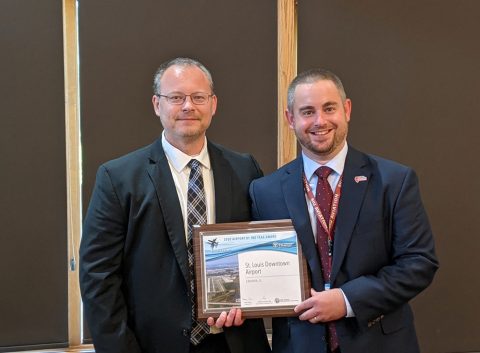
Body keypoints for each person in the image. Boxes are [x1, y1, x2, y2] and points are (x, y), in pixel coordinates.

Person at [80, 57, 271, 353]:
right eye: (176, 97)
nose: (188, 107)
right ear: (157, 105)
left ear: (213, 104)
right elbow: (98, 277)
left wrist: (253, 298)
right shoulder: (118, 178)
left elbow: (262, 250)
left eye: (198, 97)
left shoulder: (244, 169)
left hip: (235, 341)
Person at [249, 68, 438, 353]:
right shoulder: (265, 191)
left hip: (380, 343)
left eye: (329, 108)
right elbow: (257, 271)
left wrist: (348, 300)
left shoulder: (394, 181)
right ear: (291, 119)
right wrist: (230, 301)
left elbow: (419, 263)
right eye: (307, 111)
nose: (320, 121)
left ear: (346, 109)